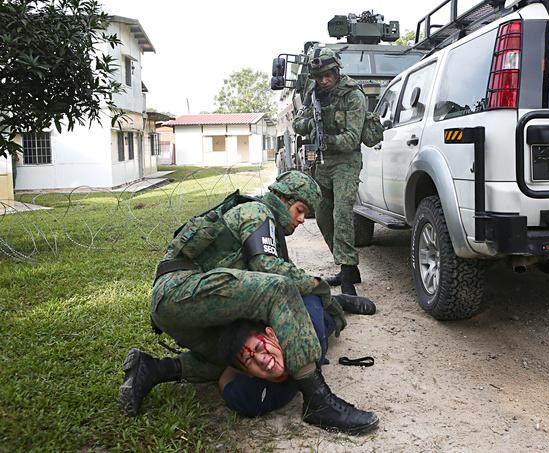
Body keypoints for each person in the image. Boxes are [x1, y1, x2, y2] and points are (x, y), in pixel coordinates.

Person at [118, 171, 378, 434]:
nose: (301, 219)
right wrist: (319, 286)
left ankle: (153, 369)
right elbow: (268, 268)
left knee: (239, 357)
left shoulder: (263, 219)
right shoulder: (257, 210)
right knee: (279, 288)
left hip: (186, 307)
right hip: (181, 292)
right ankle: (318, 401)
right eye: (299, 210)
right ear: (281, 198)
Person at [217, 290, 374, 418]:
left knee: (325, 320)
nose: (262, 360)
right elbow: (224, 382)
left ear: (272, 334)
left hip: (312, 315)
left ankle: (339, 300)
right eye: (250, 361)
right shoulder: (253, 399)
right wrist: (239, 365)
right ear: (247, 373)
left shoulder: (305, 332)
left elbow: (310, 295)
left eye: (259, 348)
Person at [293, 48, 366, 296]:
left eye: (328, 75)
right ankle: (349, 266)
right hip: (322, 163)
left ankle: (347, 278)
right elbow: (298, 124)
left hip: (346, 161)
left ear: (336, 71)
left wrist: (328, 140)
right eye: (319, 76)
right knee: (323, 216)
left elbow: (352, 138)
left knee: (342, 215)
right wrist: (313, 122)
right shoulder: (313, 94)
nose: (324, 80)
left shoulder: (353, 95)